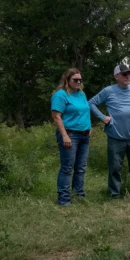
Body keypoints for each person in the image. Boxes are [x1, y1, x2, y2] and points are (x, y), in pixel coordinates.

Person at [88, 63, 130, 199]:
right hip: (115, 136)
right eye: (124, 74)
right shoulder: (108, 91)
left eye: (129, 74)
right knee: (115, 167)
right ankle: (114, 194)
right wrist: (102, 117)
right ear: (116, 76)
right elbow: (91, 103)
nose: (128, 76)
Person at [50, 68, 91, 206]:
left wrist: (89, 127)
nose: (78, 82)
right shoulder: (60, 95)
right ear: (67, 80)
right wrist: (64, 136)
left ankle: (78, 194)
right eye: (75, 80)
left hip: (84, 136)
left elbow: (85, 112)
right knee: (67, 167)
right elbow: (56, 117)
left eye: (80, 80)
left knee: (80, 168)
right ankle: (64, 199)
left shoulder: (82, 94)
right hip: (70, 135)